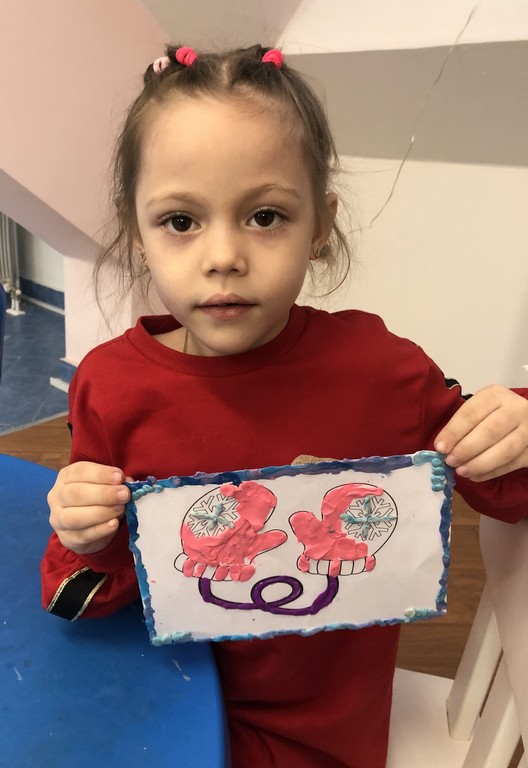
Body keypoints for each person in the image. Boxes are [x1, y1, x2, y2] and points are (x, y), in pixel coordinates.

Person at [41, 44, 528, 767]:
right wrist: (87, 532)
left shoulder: (381, 371)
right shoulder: (112, 385)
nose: (224, 256)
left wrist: (514, 423)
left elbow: (506, 486)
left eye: (265, 215)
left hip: (315, 737)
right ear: (136, 232)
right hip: (159, 702)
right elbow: (81, 596)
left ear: (321, 223)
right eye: (180, 221)